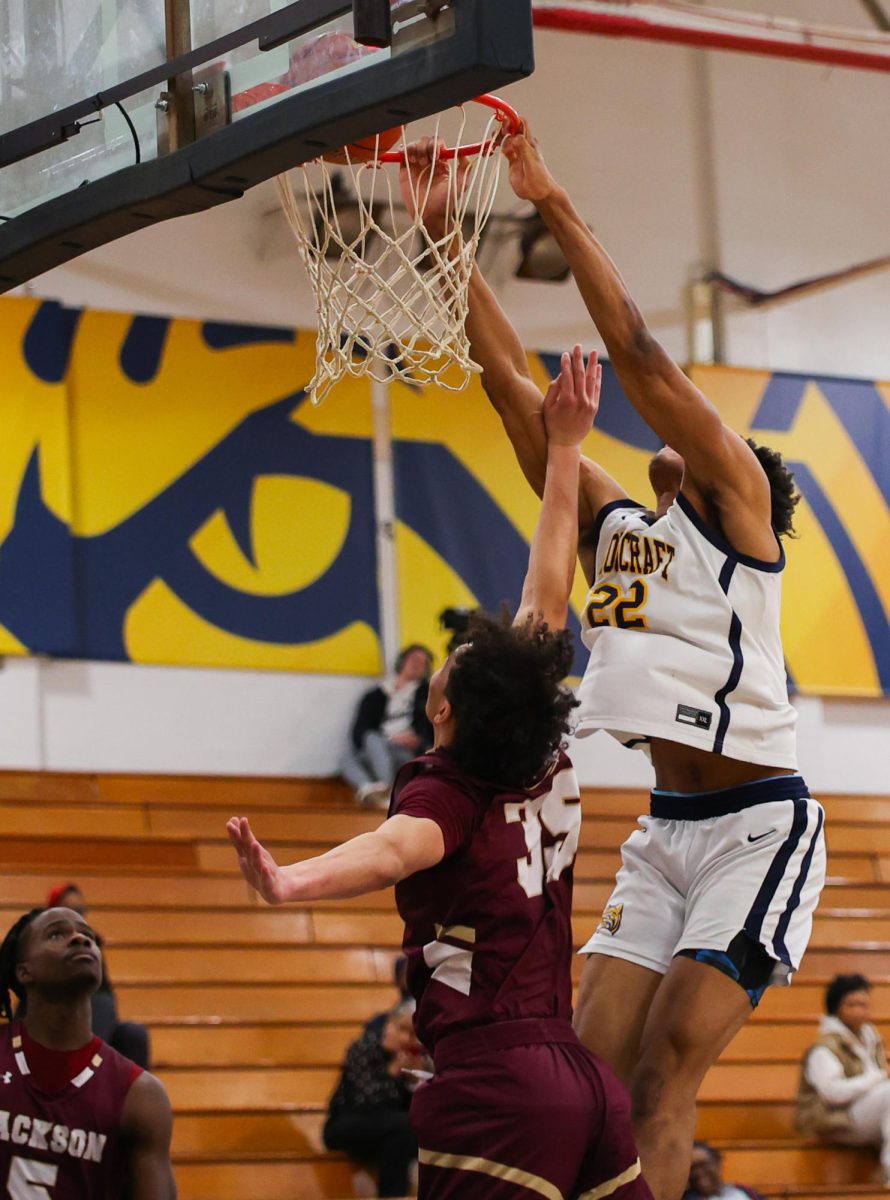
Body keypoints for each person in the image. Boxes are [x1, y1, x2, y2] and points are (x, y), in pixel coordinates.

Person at [401, 127, 826, 1200]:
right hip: (664, 832)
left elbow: (635, 349)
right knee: (588, 1070)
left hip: (757, 823)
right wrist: (441, 233)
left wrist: (545, 197)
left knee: (670, 1059)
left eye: (729, 445)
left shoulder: (736, 520)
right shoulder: (618, 522)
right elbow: (511, 389)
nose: (701, 436)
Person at [229, 346, 653, 1200]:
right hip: (582, 1079)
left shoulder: (445, 794)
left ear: (443, 710)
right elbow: (551, 588)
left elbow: (392, 851)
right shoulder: (541, 749)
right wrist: (565, 447)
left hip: (499, 1085)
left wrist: (289, 885)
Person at [0, 906, 176, 1198]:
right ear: (24, 971)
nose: (79, 940)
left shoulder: (139, 1095)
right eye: (56, 934)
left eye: (87, 936)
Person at [323, 998, 426, 1197]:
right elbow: (365, 1100)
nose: (405, 1038)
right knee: (404, 1126)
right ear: (389, 1024)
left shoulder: (418, 1060)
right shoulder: (364, 1048)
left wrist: (415, 1083)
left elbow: (422, 1112)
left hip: (395, 1132)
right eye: (401, 1029)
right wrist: (394, 1072)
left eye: (412, 1034)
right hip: (347, 1122)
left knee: (403, 1136)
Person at [42, 883, 151, 1069]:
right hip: (51, 1028)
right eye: (69, 910)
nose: (76, 916)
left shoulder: (91, 947)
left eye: (80, 910)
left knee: (132, 1033)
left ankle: (129, 1093)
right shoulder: (39, 949)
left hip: (92, 1030)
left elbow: (106, 1002)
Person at [796, 973, 890, 1179]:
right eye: (852, 1004)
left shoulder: (871, 1038)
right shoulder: (824, 1047)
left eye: (864, 1004)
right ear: (836, 1007)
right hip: (833, 1120)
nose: (860, 1010)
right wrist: (877, 1077)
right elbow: (833, 1094)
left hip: (861, 1113)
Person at [341, 644, 435, 808]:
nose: (417, 664)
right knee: (347, 758)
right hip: (378, 747)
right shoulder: (375, 695)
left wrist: (418, 740)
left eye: (423, 662)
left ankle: (388, 788)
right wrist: (384, 740)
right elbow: (359, 732)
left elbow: (433, 730)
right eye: (414, 659)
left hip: (406, 754)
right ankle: (370, 789)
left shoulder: (427, 695)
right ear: (402, 661)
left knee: (372, 739)